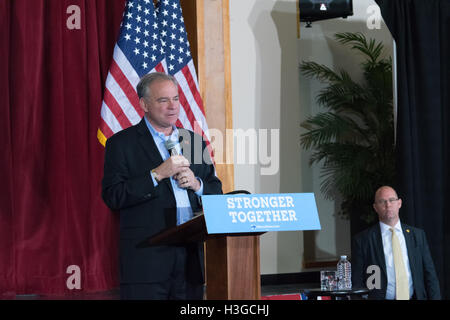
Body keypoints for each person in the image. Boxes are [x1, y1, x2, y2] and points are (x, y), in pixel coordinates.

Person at [102, 72, 222, 300]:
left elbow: (216, 192)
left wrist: (197, 185)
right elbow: (113, 196)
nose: (172, 107)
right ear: (144, 104)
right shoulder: (121, 144)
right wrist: (157, 174)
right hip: (146, 262)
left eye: (175, 99)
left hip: (189, 262)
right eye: (163, 100)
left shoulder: (193, 141)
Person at [351, 186, 441, 300]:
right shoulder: (363, 240)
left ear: (399, 203)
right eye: (382, 201)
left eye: (391, 200)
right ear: (375, 207)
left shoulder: (417, 235)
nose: (388, 205)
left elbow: (430, 275)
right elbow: (356, 281)